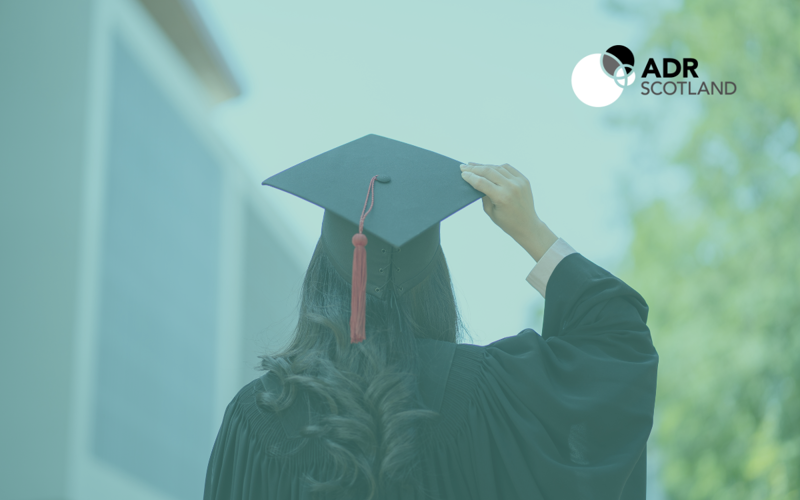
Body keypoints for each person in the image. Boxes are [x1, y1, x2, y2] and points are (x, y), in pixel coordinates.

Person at [204, 135, 659, 500]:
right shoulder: (496, 393)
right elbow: (618, 340)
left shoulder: (257, 417)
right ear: (435, 281)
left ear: (322, 278)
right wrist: (532, 230)